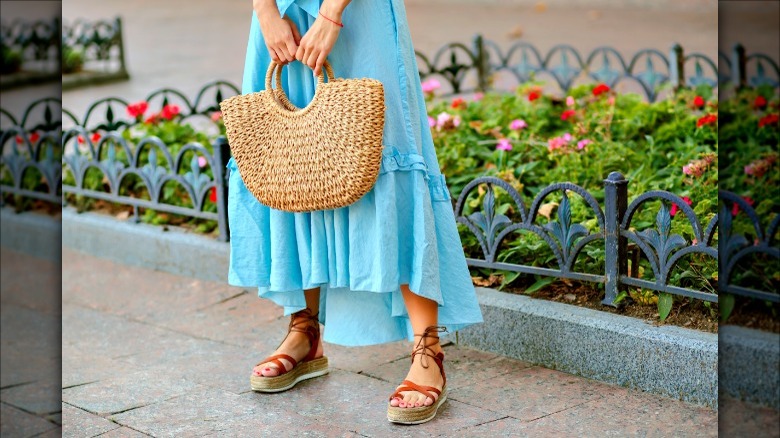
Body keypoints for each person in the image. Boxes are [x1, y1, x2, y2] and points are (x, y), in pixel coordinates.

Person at [225, 0, 483, 424]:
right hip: (279, 13)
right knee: (291, 158)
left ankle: (428, 349)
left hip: (357, 13)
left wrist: (331, 14)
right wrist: (265, 12)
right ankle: (305, 332)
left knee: (390, 154)